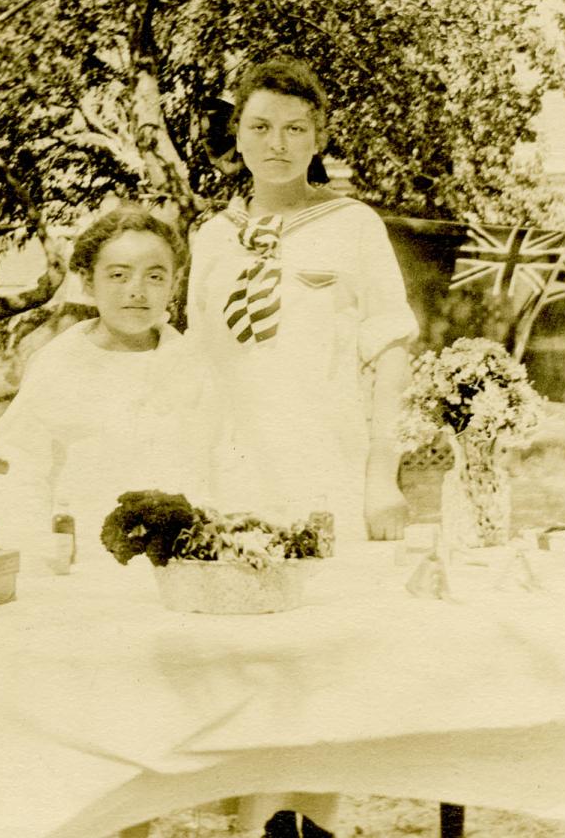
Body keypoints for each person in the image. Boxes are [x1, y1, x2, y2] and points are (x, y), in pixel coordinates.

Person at [186, 56, 419, 838]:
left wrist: (381, 473)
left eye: (295, 129)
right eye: (260, 127)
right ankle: (253, 829)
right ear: (238, 137)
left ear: (319, 138)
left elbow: (391, 347)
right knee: (240, 668)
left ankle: (313, 826)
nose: (277, 144)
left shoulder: (353, 227)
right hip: (228, 475)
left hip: (322, 465)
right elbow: (196, 363)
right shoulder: (211, 236)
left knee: (320, 665)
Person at [0, 205, 208, 564]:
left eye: (155, 277)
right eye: (118, 275)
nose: (136, 291)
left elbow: (218, 466)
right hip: (82, 565)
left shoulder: (195, 365)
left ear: (175, 283)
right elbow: (18, 472)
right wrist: (37, 559)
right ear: (89, 282)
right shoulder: (58, 364)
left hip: (183, 565)